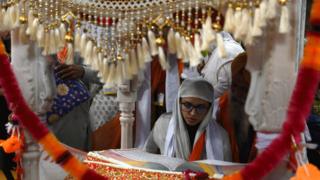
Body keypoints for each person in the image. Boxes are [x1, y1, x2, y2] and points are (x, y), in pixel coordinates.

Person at [144, 78, 231, 161]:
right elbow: (147, 155)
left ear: (209, 108)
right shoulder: (163, 124)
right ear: (178, 103)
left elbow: (226, 170)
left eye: (200, 107)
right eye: (187, 105)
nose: (193, 113)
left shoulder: (220, 136)